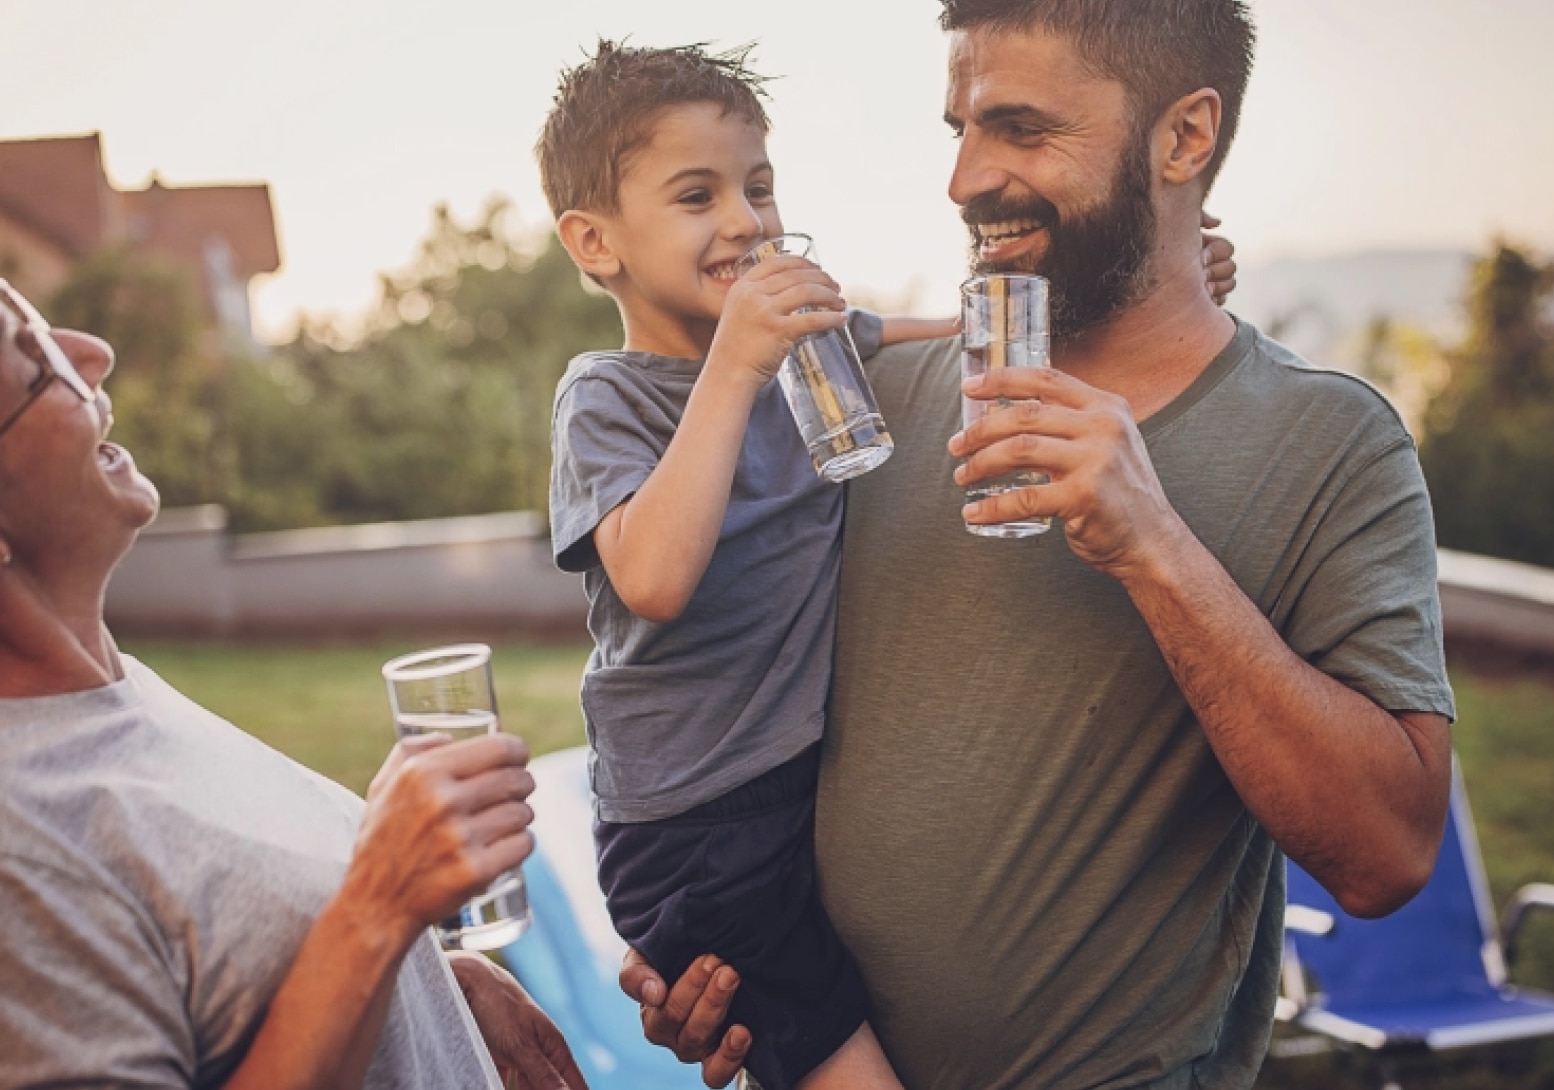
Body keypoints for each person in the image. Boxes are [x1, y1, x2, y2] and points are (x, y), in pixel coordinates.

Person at [620, 4, 1459, 1090]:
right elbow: (708, 676)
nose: (964, 178)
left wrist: (1154, 544)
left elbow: (1387, 856)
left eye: (1020, 128)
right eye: (960, 128)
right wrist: (724, 954)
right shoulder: (864, 406)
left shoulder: (1328, 441)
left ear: (1183, 138)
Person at [537, 41, 1236, 1090]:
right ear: (594, 242)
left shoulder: (806, 348)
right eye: (695, 196)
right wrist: (735, 366)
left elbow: (962, 333)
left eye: (758, 187)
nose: (744, 221)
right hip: (696, 826)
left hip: (798, 797)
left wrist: (1164, 285)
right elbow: (654, 578)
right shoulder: (605, 398)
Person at [0, 215, 586, 1090]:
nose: (91, 353)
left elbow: (240, 974)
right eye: (30, 364)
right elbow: (342, 933)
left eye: (32, 320)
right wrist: (380, 903)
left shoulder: (89, 694)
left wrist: (430, 978)